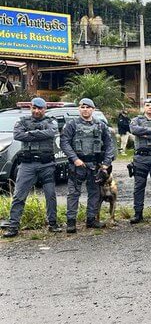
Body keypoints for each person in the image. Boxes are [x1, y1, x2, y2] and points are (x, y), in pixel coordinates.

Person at [3, 98, 61, 238]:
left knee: (50, 196)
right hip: (27, 165)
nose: (36, 111)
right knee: (19, 195)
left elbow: (51, 133)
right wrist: (39, 134)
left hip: (47, 165)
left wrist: (29, 134)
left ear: (44, 109)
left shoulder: (51, 121)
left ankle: (52, 224)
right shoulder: (22, 121)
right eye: (34, 108)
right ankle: (13, 226)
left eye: (40, 108)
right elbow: (17, 135)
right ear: (31, 108)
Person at [60, 98, 115, 234]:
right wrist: (74, 159)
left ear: (93, 109)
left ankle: (91, 220)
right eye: (83, 107)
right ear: (79, 109)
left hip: (95, 166)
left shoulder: (100, 125)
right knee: (73, 194)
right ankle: (71, 222)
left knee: (94, 193)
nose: (85, 110)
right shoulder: (71, 124)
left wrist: (106, 163)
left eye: (88, 107)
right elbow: (64, 143)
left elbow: (110, 144)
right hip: (77, 165)